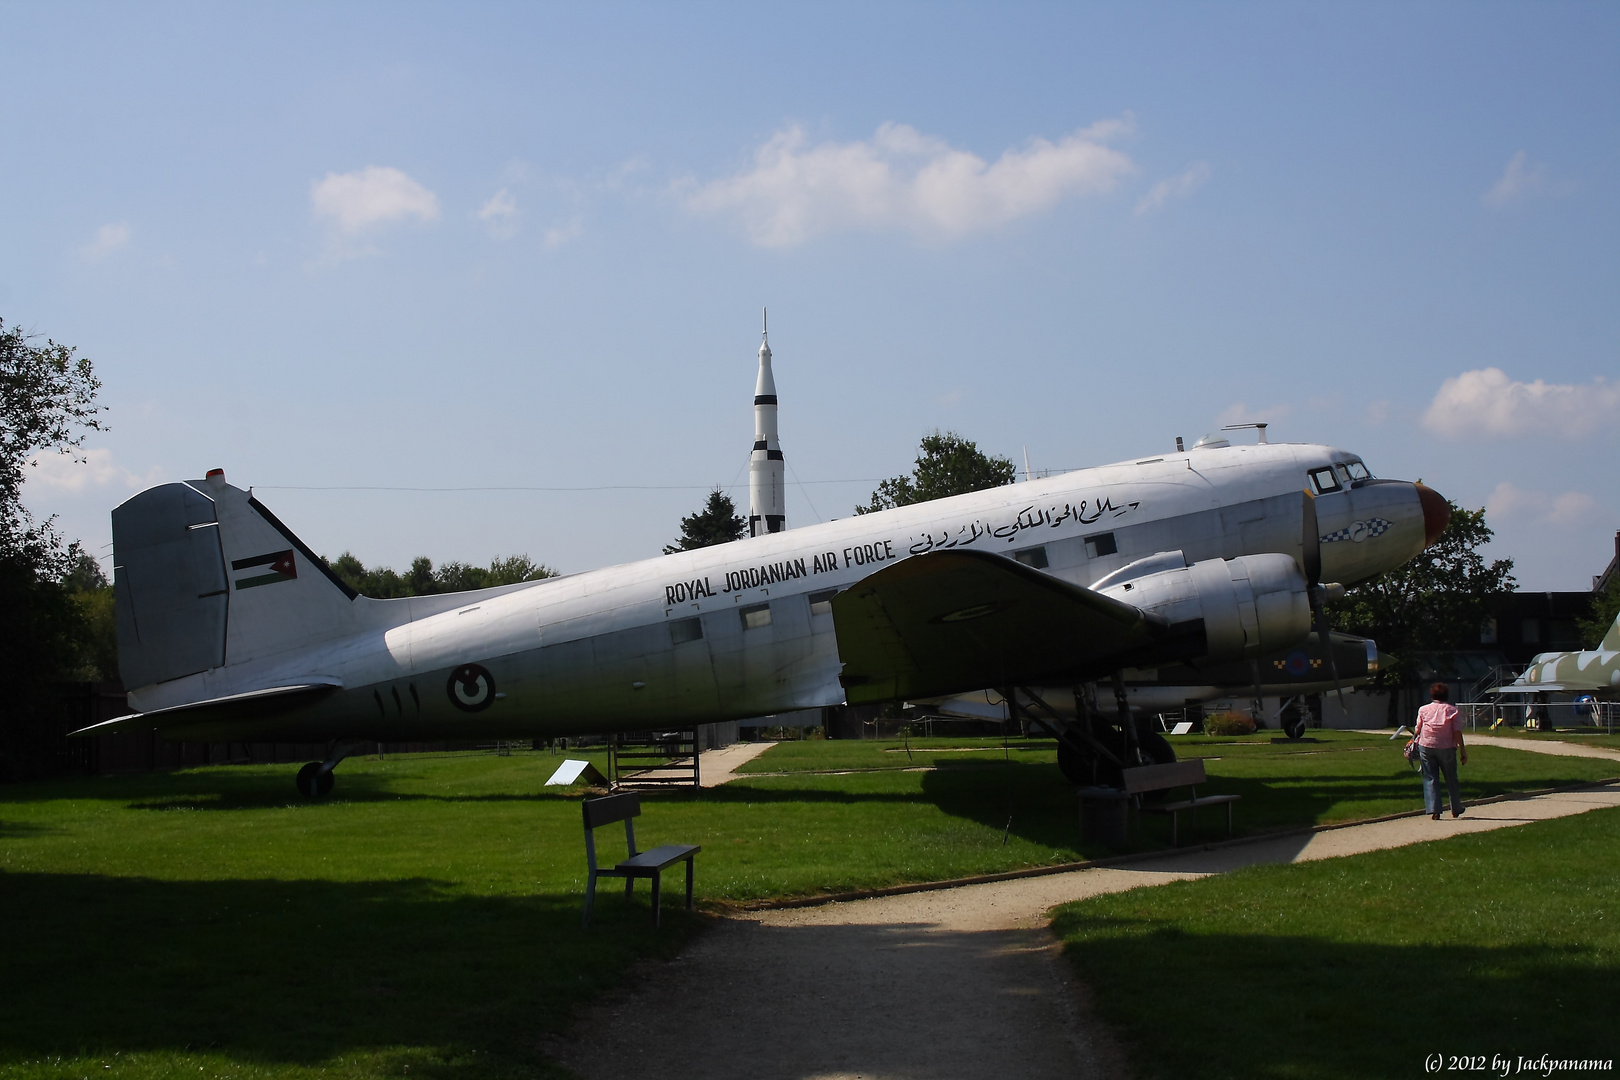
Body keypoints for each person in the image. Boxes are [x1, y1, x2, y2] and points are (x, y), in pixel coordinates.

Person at [1413, 683, 1467, 819]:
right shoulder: (1452, 710)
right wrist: (1463, 750)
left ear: (1432, 695)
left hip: (1426, 745)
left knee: (1430, 777)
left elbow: (1418, 729)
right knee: (1451, 778)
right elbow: (1456, 732)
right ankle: (1456, 808)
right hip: (1446, 747)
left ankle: (1434, 809)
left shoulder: (1423, 709)